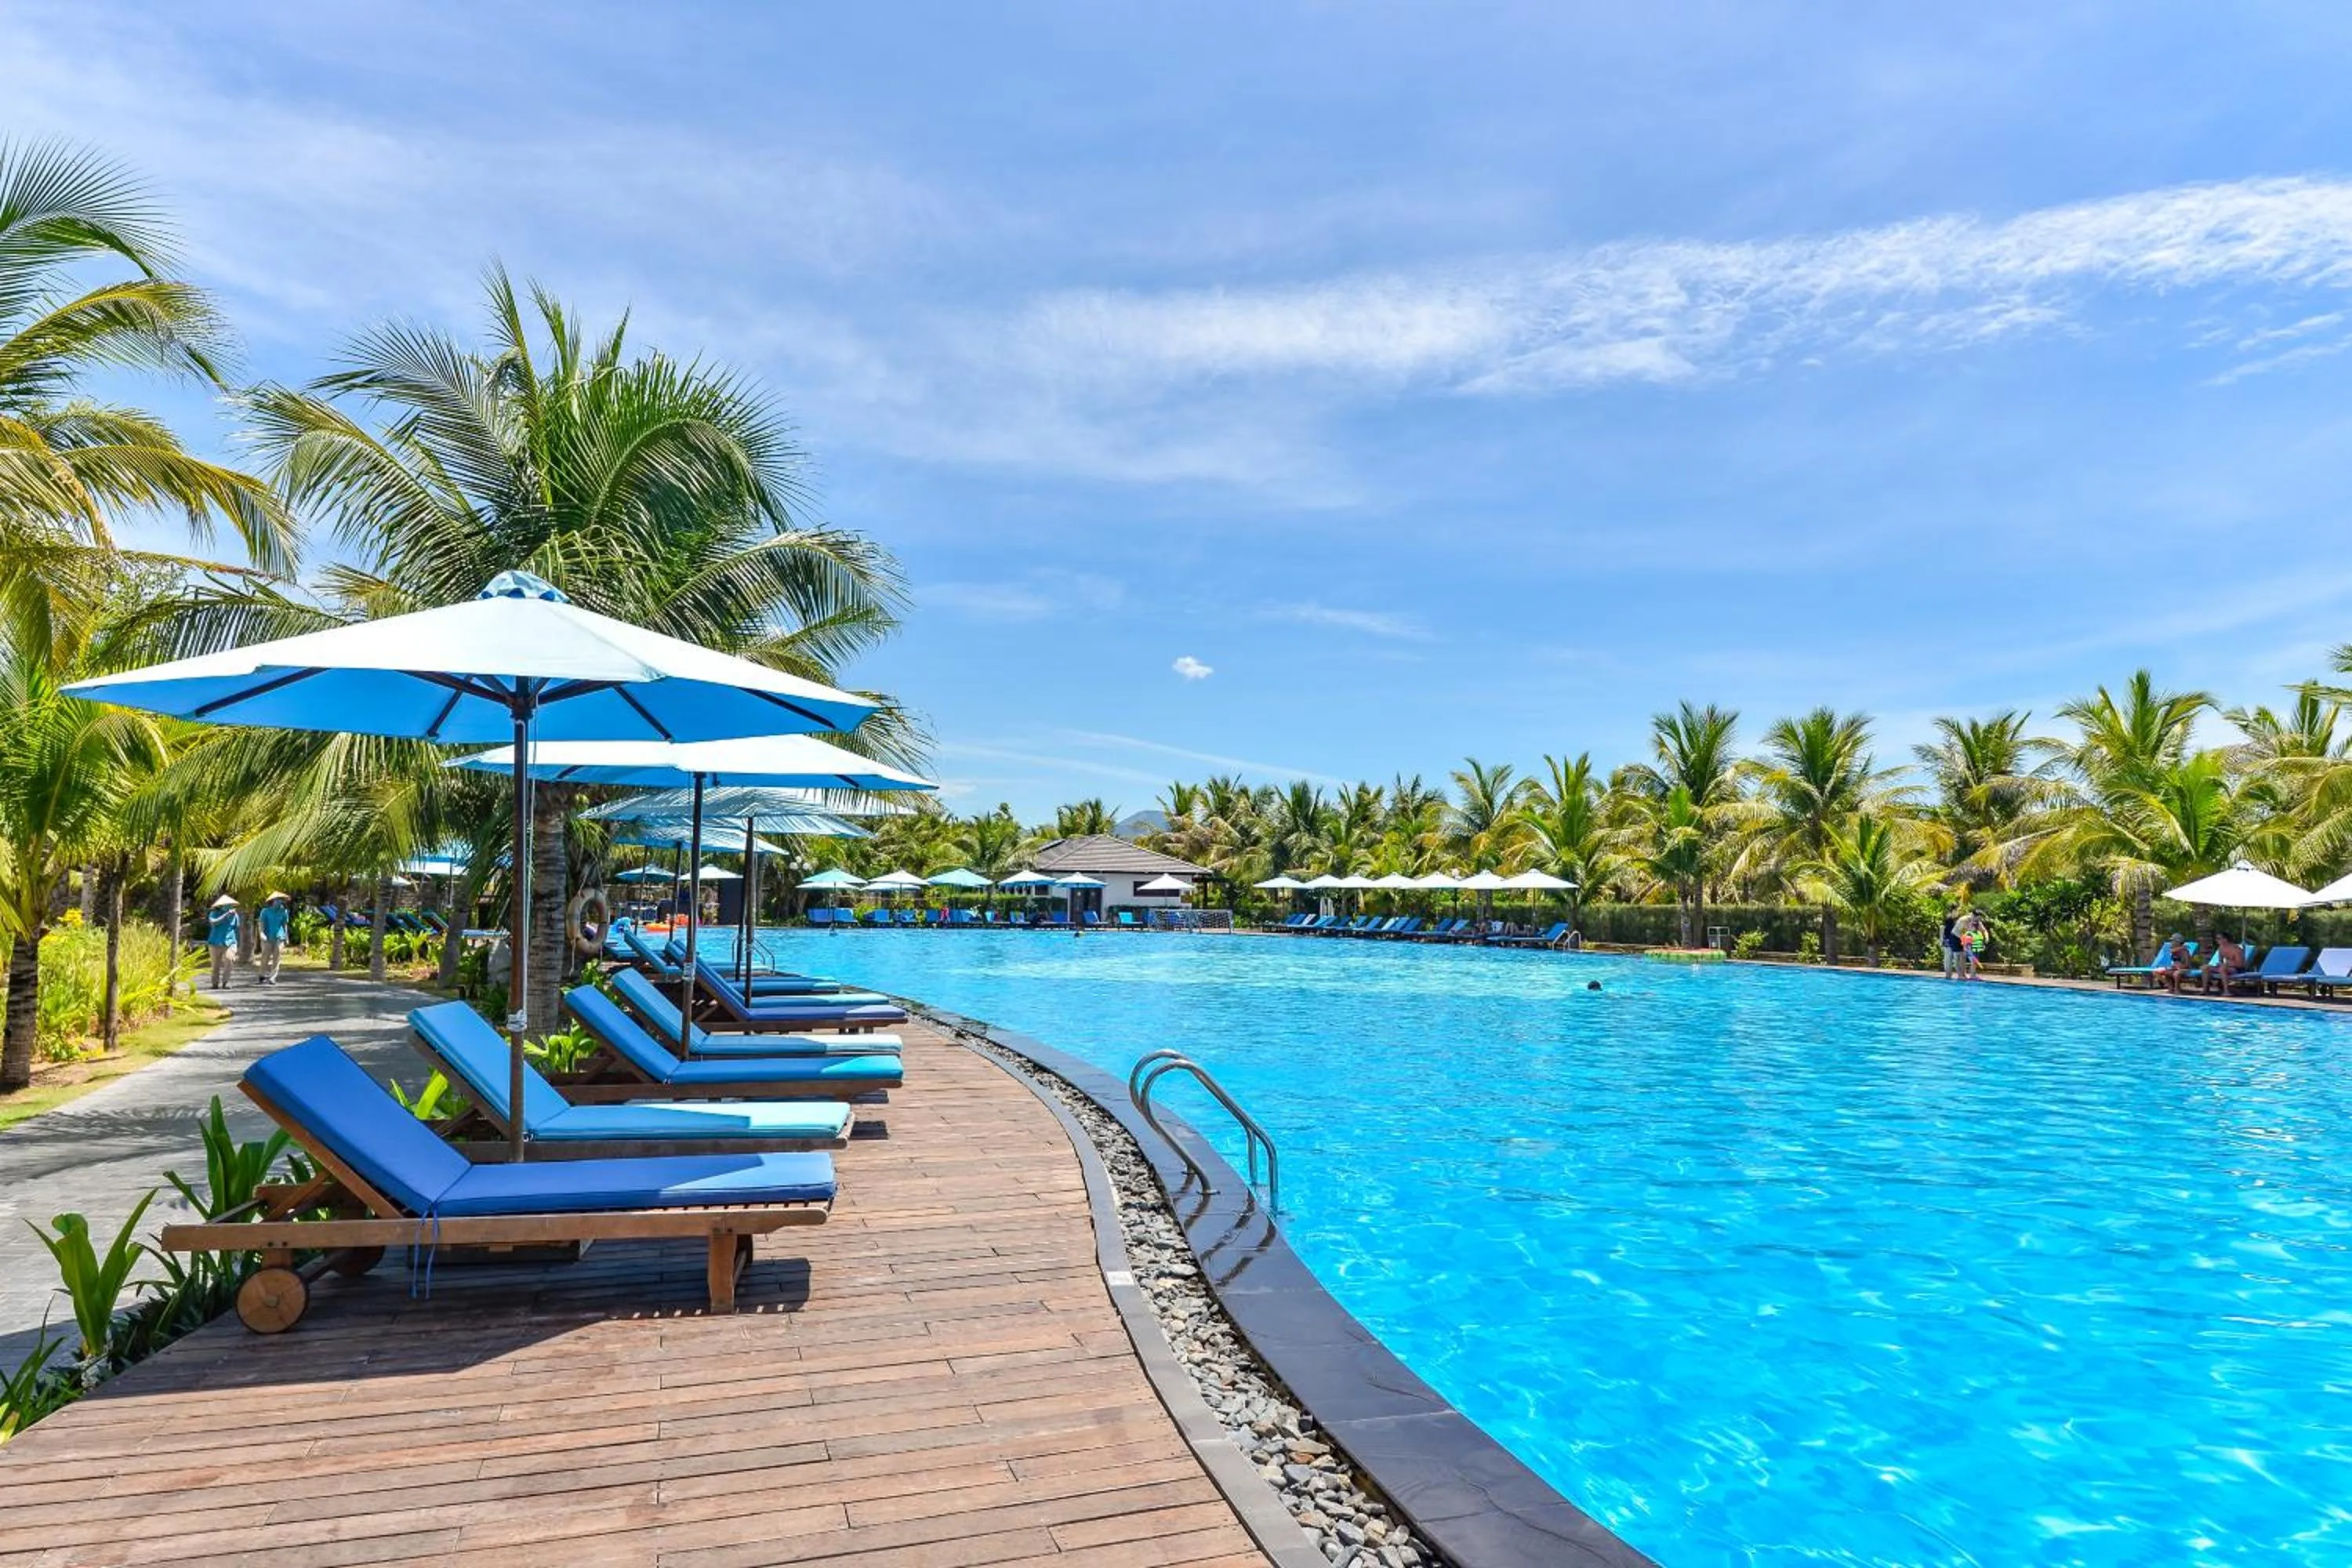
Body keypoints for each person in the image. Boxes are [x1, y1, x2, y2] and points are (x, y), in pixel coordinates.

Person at [205, 895, 241, 991]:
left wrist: (238, 943)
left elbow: (236, 929)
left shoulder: (235, 916)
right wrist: (225, 915)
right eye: (226, 905)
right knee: (215, 965)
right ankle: (215, 983)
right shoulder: (214, 913)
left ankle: (226, 982)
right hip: (215, 942)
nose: (228, 906)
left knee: (229, 960)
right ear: (221, 905)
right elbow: (214, 922)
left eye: (230, 905)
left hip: (230, 942)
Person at [256, 892, 290, 986]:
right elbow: (261, 923)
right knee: (265, 956)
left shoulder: (284, 912)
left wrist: (286, 937)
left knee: (277, 957)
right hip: (267, 937)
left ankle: (273, 977)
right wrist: (261, 933)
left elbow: (284, 925)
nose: (279, 901)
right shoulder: (265, 911)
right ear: (273, 901)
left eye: (281, 900)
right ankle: (262, 974)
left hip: (279, 936)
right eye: (277, 900)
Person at [1955, 909, 1989, 981]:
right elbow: (1958, 932)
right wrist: (1966, 945)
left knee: (1974, 961)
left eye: (1980, 919)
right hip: (1965, 944)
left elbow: (1984, 931)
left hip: (1974, 946)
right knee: (1968, 959)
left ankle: (1972, 975)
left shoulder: (1978, 923)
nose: (1979, 920)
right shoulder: (1965, 921)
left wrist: (1986, 938)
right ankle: (1963, 975)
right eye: (1978, 918)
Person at [1939, 908, 1962, 981]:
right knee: (1948, 957)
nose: (1958, 912)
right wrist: (1941, 940)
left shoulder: (1957, 919)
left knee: (1953, 958)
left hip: (1954, 940)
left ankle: (1950, 975)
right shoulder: (1948, 918)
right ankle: (1948, 975)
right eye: (1957, 911)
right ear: (1953, 911)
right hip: (1948, 940)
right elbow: (1942, 928)